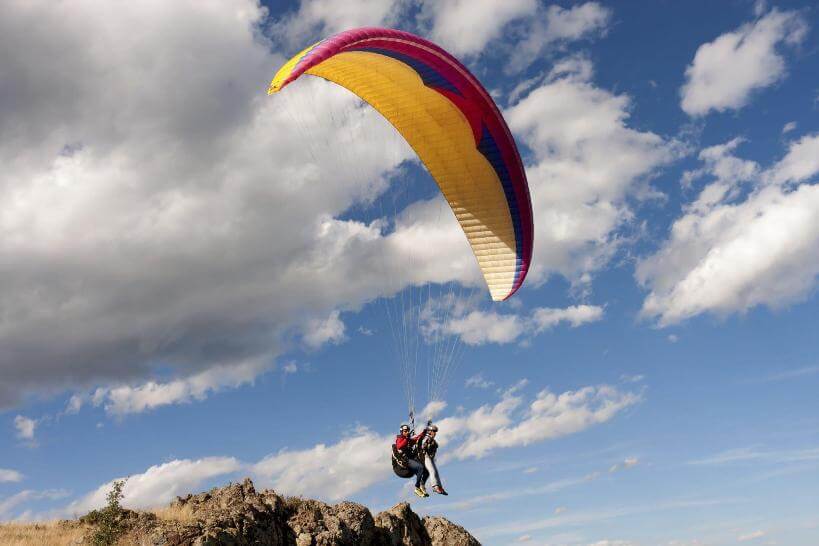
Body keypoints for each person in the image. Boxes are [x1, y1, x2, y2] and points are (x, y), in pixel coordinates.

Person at [392, 423, 429, 497]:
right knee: (420, 467)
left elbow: (418, 438)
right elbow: (400, 446)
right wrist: (407, 438)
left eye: (408, 431)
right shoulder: (399, 439)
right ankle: (417, 488)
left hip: (409, 461)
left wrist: (424, 432)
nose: (407, 432)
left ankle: (422, 485)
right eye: (405, 431)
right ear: (402, 432)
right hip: (403, 463)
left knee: (426, 472)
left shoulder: (409, 440)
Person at [419, 424, 448, 495]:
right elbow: (421, 446)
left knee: (436, 472)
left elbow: (433, 451)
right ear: (430, 431)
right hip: (424, 457)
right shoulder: (426, 438)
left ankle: (440, 487)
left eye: (435, 431)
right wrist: (426, 444)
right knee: (432, 471)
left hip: (429, 457)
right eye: (433, 431)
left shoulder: (433, 441)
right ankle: (435, 487)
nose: (435, 433)